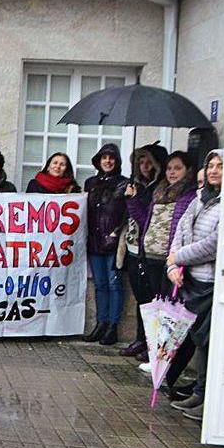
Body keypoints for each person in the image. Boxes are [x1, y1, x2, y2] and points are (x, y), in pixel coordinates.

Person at [165, 150, 224, 419]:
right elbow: (181, 229)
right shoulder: (200, 198)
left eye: (221, 166)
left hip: (216, 280)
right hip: (192, 279)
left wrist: (178, 256)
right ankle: (199, 393)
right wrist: (172, 266)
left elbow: (215, 243)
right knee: (199, 339)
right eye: (211, 165)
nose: (214, 170)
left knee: (210, 340)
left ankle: (208, 397)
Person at [119, 145, 179, 361]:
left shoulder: (157, 189)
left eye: (148, 162)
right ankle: (141, 338)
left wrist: (134, 200)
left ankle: (151, 342)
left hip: (150, 250)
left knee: (153, 298)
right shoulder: (136, 184)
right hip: (134, 248)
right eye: (140, 162)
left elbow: (144, 217)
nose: (144, 166)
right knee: (141, 298)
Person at [80, 144, 129, 346]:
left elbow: (126, 213)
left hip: (114, 243)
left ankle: (112, 326)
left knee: (114, 284)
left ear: (117, 161)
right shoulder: (91, 183)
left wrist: (117, 232)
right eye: (104, 158)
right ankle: (101, 323)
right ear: (98, 161)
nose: (107, 161)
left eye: (112, 158)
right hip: (94, 241)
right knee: (100, 285)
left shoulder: (124, 183)